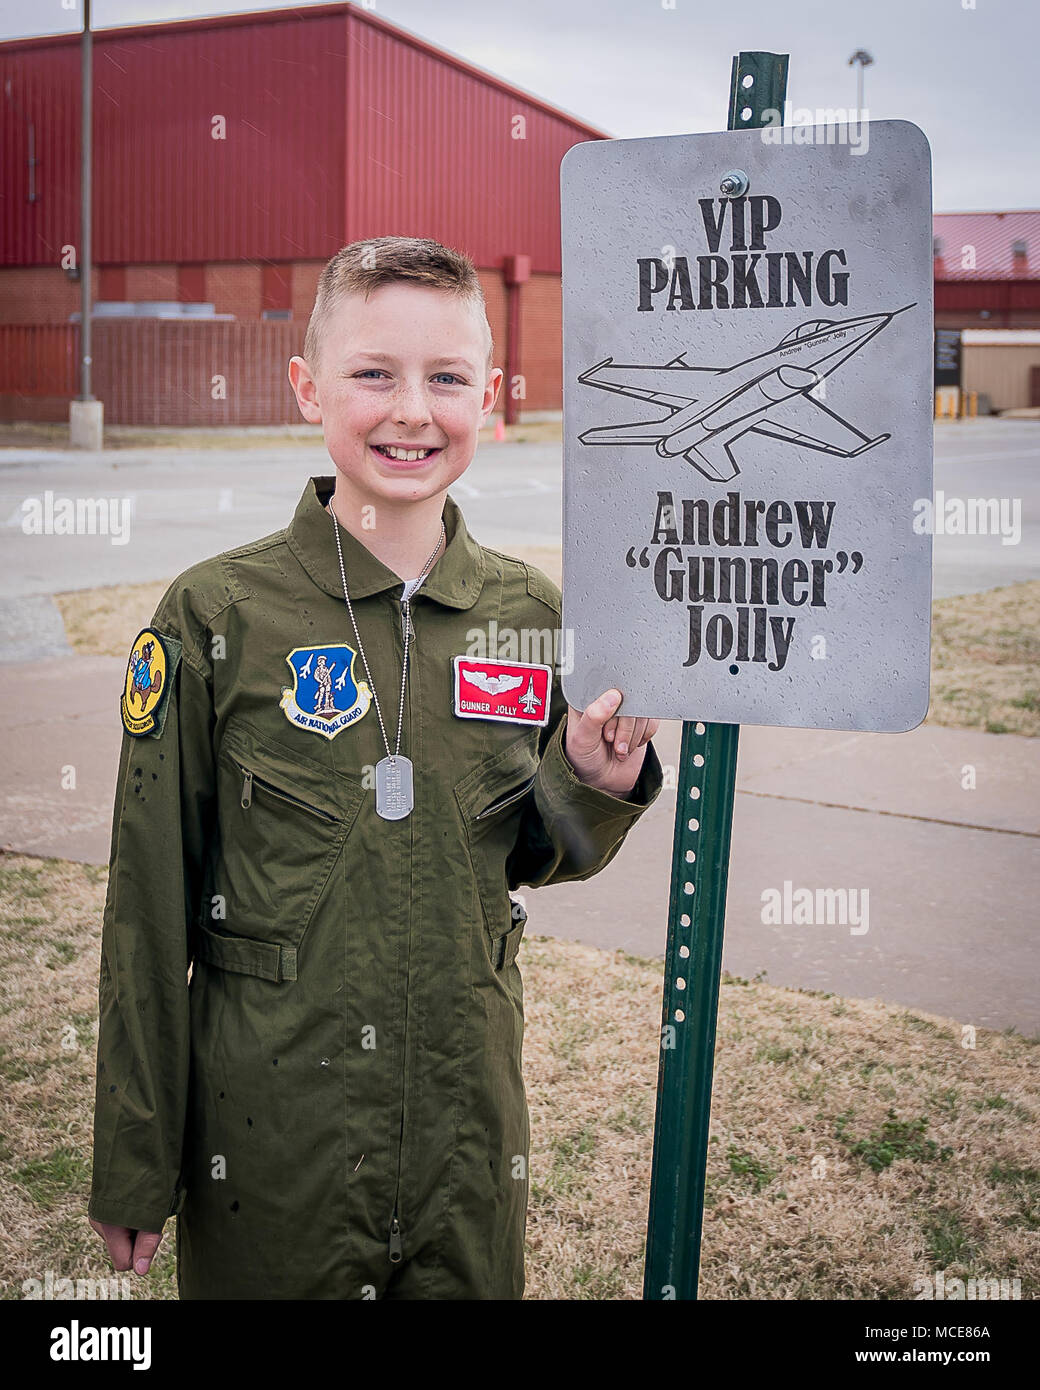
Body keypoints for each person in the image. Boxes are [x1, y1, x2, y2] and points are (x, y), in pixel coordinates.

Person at [88, 235, 664, 1300]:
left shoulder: (529, 615)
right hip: (272, 1152)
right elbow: (146, 910)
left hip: (464, 1136)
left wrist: (589, 777)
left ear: (487, 398)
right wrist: (136, 1159)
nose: (412, 411)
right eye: (373, 374)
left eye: (446, 378)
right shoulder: (217, 617)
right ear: (308, 390)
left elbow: (532, 854)